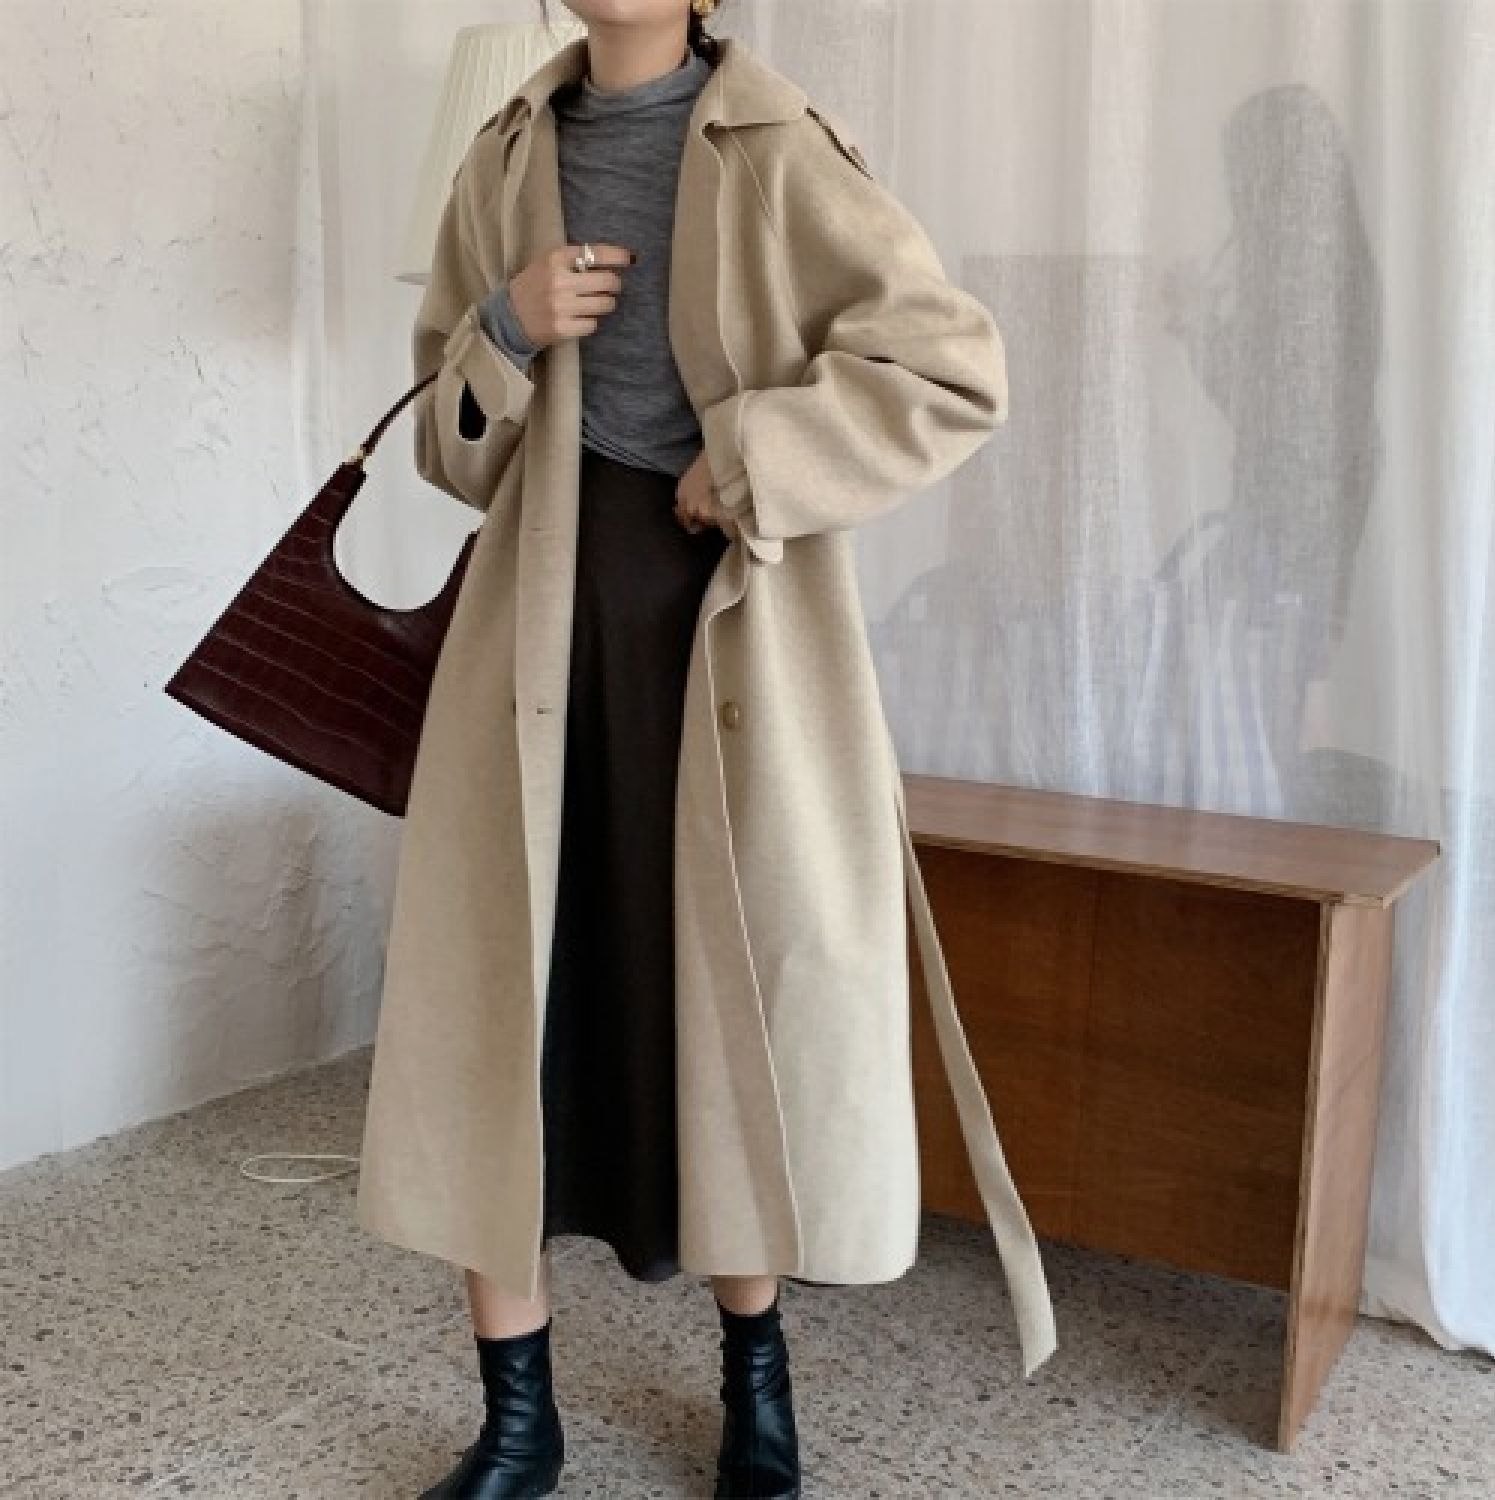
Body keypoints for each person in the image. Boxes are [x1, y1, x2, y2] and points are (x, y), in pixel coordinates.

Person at [366, 3, 1053, 1497]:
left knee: (727, 1000)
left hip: (725, 633)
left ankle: (757, 1386)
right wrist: (506, 326)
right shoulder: (505, 154)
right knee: (517, 1010)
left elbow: (952, 370)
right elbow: (450, 449)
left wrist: (749, 459)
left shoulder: (776, 144)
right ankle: (519, 1423)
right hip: (536, 637)